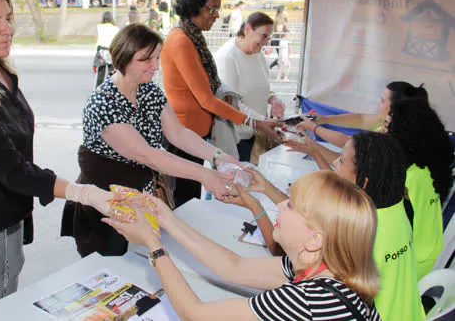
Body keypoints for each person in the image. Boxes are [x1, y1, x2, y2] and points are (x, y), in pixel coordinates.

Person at [0, 0, 119, 319]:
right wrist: (85, 193)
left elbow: (16, 154)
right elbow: (12, 168)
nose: (9, 29)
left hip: (9, 201)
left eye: (9, 18)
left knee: (10, 281)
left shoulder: (0, 71)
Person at [103, 171, 382, 320]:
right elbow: (234, 267)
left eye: (291, 205)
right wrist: (167, 219)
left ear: (315, 239)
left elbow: (195, 314)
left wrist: (153, 244)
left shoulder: (307, 301)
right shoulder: (322, 266)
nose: (281, 205)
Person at [61, 24, 238, 258]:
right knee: (114, 270)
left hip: (142, 199)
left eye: (157, 58)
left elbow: (178, 133)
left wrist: (217, 156)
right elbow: (149, 155)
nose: (155, 66)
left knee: (148, 262)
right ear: (123, 58)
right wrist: (205, 174)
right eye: (146, 60)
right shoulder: (102, 104)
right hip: (107, 205)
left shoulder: (149, 91)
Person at [230, 132, 426, 320]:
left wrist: (255, 206)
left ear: (362, 182)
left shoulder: (360, 235)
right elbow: (313, 215)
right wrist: (266, 188)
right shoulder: (397, 207)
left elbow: (286, 248)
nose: (333, 163)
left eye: (340, 160)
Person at [298, 82, 453, 279]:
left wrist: (315, 137)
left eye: (382, 101)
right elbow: (353, 158)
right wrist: (317, 143)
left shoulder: (393, 169)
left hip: (410, 263)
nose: (378, 108)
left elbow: (348, 184)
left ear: (394, 113)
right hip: (427, 251)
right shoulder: (421, 162)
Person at [161, 0, 281, 206]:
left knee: (191, 196)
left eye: (218, 9)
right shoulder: (181, 41)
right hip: (183, 137)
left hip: (195, 135)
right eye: (211, 9)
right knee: (183, 201)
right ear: (194, 6)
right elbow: (206, 99)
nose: (216, 15)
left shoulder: (193, 36)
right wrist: (254, 122)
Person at [215, 12, 285, 162]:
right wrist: (261, 122)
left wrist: (273, 99)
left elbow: (263, 86)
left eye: (269, 37)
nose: (266, 41)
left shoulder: (257, 52)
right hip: (236, 139)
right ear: (247, 29)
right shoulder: (227, 57)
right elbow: (229, 102)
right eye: (264, 36)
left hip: (256, 134)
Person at [94, 11, 119, 87]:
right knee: (112, 71)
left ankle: (98, 88)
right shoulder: (115, 28)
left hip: (101, 50)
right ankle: (112, 88)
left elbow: (96, 38)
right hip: (111, 50)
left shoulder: (99, 27)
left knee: (100, 71)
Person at [269, 5, 288, 70]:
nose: (286, 12)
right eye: (285, 10)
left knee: (281, 57)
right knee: (281, 57)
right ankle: (272, 66)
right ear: (282, 11)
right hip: (277, 39)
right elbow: (279, 30)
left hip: (277, 39)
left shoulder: (279, 18)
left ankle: (279, 74)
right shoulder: (280, 19)